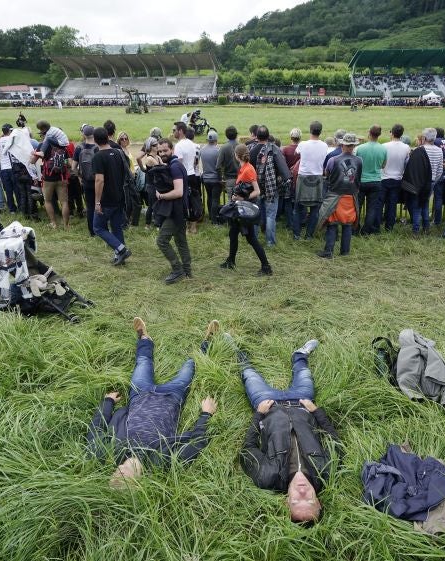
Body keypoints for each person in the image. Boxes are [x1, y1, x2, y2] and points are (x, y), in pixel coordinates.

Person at [86, 317, 218, 488]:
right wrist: (206, 414)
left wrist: (108, 402)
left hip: (140, 394)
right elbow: (198, 442)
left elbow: (96, 428)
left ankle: (144, 338)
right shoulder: (163, 462)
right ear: (138, 484)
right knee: (190, 366)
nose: (118, 471)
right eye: (122, 477)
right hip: (172, 396)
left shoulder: (108, 452)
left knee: (143, 362)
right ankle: (208, 341)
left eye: (114, 475)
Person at [232, 335, 338, 524]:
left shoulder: (267, 477)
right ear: (319, 502)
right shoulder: (326, 471)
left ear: (286, 502)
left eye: (297, 500)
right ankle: (299, 354)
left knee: (249, 374)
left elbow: (248, 448)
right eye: (310, 499)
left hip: (268, 405)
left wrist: (259, 414)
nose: (302, 491)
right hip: (302, 403)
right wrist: (316, 411)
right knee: (304, 373)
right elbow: (333, 439)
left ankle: (235, 348)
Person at [220, 144, 272, 275]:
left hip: (245, 209)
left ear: (236, 156)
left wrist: (243, 199)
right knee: (233, 234)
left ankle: (266, 267)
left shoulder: (248, 169)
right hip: (240, 208)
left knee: (251, 239)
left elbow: (257, 191)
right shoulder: (243, 167)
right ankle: (231, 261)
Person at [92, 126, 132, 267]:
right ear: (108, 137)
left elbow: (99, 180)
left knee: (98, 227)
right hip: (120, 196)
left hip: (106, 199)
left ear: (95, 140)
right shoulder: (118, 153)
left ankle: (121, 249)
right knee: (116, 227)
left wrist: (97, 202)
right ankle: (119, 255)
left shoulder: (98, 157)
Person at [317, 133, 362, 258]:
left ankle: (328, 252)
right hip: (351, 197)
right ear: (353, 146)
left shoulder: (333, 160)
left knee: (332, 224)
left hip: (335, 197)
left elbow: (327, 173)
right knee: (347, 225)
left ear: (343, 144)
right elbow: (358, 178)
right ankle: (345, 252)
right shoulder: (359, 161)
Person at [154, 139, 192, 284]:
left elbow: (178, 192)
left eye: (165, 150)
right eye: (160, 151)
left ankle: (178, 270)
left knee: (162, 241)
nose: (162, 153)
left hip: (175, 211)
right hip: (179, 210)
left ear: (172, 150)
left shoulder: (175, 167)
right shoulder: (173, 164)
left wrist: (161, 195)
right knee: (181, 241)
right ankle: (187, 271)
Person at [249, 125, 290, 246]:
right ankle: (270, 242)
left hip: (255, 188)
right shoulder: (274, 149)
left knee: (255, 214)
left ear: (256, 136)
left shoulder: (251, 149)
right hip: (271, 188)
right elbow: (285, 172)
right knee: (271, 215)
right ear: (268, 136)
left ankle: (254, 239)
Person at [294, 121, 328, 240]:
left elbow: (296, 153)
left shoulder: (303, 144)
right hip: (317, 177)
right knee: (315, 209)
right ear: (320, 131)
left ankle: (296, 234)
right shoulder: (324, 145)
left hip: (303, 177)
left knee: (298, 207)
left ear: (310, 130)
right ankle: (309, 235)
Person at [33, 122, 70, 230]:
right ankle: (66, 225)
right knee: (64, 202)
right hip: (61, 177)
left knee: (48, 201)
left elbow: (32, 161)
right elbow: (68, 163)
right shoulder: (63, 148)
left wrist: (34, 154)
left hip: (48, 178)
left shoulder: (42, 146)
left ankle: (54, 223)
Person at [355, 125, 387, 235]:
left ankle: (355, 228)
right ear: (379, 134)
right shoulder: (383, 149)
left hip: (361, 180)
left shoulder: (360, 148)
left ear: (369, 133)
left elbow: (356, 164)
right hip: (376, 181)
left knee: (357, 206)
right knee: (372, 208)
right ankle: (367, 230)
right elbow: (383, 165)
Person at [173, 121, 200, 234]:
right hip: (192, 174)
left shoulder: (178, 146)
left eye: (174, 130)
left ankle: (186, 226)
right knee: (193, 200)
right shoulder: (191, 143)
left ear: (180, 131)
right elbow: (195, 161)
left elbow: (178, 164)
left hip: (183, 176)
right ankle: (193, 226)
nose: (173, 132)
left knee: (184, 201)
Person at [199, 130, 222, 224]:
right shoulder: (218, 150)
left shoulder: (202, 149)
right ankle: (214, 219)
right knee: (215, 199)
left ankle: (210, 217)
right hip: (215, 178)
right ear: (216, 139)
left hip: (206, 178)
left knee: (209, 197)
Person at [216, 125, 240, 202]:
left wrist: (221, 179)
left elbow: (218, 166)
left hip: (229, 179)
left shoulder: (224, 147)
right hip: (241, 179)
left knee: (231, 202)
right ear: (236, 135)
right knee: (241, 202)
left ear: (226, 135)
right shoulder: (241, 146)